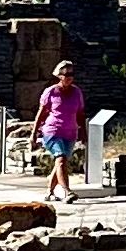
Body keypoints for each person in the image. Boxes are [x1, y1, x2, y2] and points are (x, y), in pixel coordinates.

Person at [34, 60, 87, 209]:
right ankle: (67, 191)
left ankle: (49, 192)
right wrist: (34, 133)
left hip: (70, 132)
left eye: (72, 74)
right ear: (60, 76)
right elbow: (41, 113)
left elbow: (80, 114)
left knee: (60, 163)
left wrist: (84, 132)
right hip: (52, 131)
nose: (70, 77)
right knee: (61, 159)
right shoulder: (50, 92)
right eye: (67, 74)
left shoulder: (77, 92)